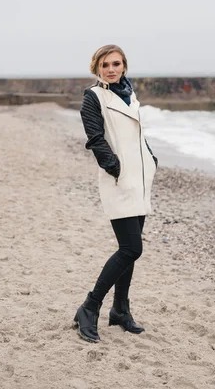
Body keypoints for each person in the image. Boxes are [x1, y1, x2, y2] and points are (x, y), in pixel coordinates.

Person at [73, 44, 158, 343]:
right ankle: (90, 306)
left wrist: (151, 159)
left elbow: (137, 135)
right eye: (105, 64)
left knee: (130, 254)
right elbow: (96, 139)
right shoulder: (93, 97)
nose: (112, 69)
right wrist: (115, 168)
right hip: (119, 181)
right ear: (96, 68)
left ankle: (120, 310)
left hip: (142, 179)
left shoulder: (131, 94)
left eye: (117, 64)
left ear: (124, 66)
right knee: (131, 249)